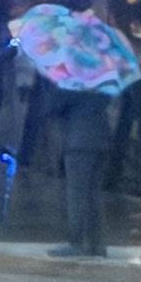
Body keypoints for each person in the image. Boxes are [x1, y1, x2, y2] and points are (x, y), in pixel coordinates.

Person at [46, 85, 112, 258]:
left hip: (78, 141)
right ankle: (97, 244)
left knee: (76, 194)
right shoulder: (105, 81)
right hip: (101, 139)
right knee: (94, 195)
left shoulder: (73, 83)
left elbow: (54, 106)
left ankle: (76, 242)